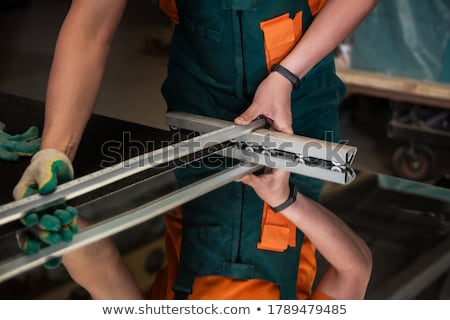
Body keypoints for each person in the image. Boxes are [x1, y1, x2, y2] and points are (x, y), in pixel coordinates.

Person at [12, 0, 378, 299]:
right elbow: (90, 27)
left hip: (296, 90)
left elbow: (103, 271)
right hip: (216, 106)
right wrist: (56, 149)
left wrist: (61, 230)